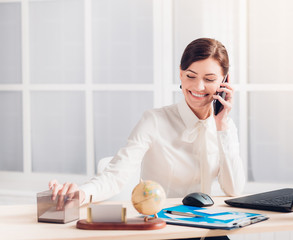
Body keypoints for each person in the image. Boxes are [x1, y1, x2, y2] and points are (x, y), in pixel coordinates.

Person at [49, 38, 246, 206]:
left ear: (224, 81)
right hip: (165, 227)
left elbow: (234, 190)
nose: (198, 86)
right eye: (190, 76)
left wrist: (222, 128)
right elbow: (115, 175)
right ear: (180, 73)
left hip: (208, 228)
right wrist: (81, 193)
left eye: (209, 79)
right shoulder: (155, 121)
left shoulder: (224, 128)